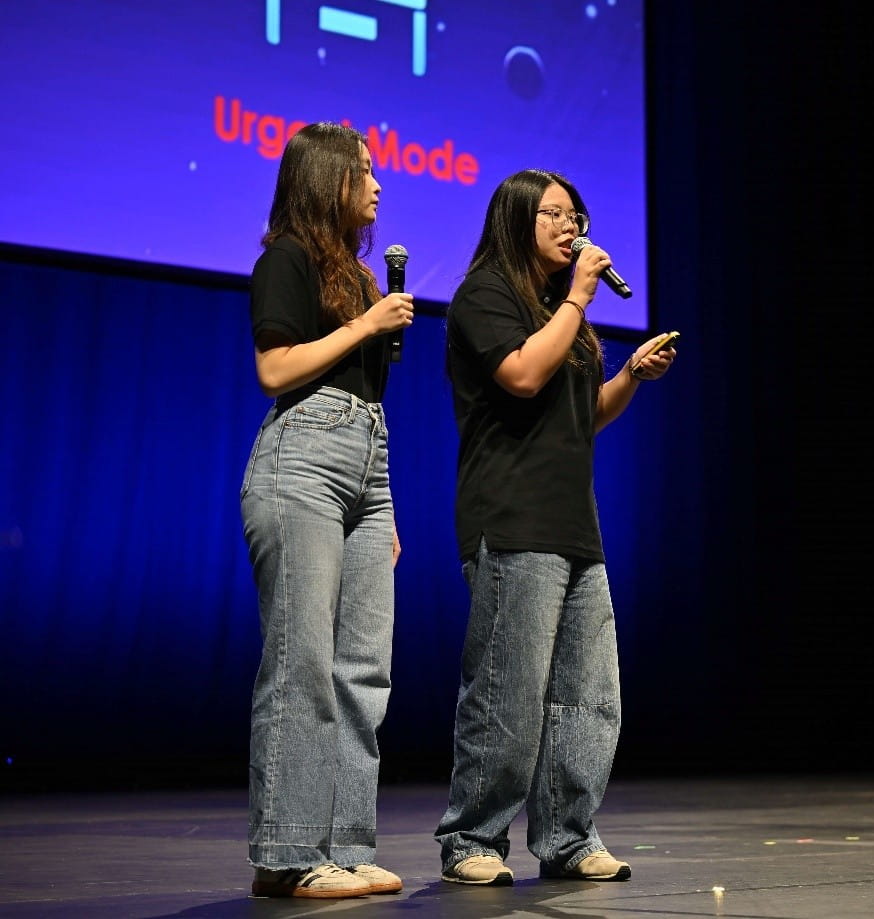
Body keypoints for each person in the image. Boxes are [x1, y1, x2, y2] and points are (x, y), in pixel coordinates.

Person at [434, 168, 675, 886]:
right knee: (508, 692)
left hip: (574, 525)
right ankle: (470, 839)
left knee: (588, 695)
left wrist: (629, 373)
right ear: (514, 222)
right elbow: (519, 377)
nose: (571, 228)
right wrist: (576, 297)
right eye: (553, 216)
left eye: (575, 215)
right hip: (511, 518)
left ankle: (569, 837)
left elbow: (580, 416)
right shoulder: (484, 296)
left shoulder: (558, 311)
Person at [239, 121, 416, 898]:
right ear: (327, 180)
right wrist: (365, 326)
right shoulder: (286, 258)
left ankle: (343, 844)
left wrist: (387, 508)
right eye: (365, 171)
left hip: (366, 471)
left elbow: (368, 400)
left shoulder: (359, 277)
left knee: (362, 670)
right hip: (301, 463)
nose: (377, 184)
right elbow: (275, 368)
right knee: (303, 663)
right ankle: (286, 852)